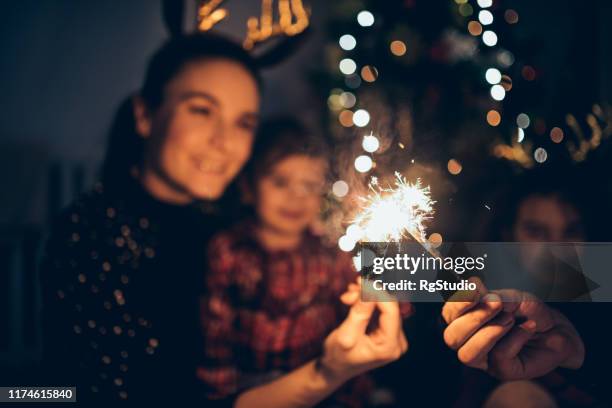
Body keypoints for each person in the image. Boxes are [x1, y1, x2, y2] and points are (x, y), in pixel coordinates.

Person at [39, 33, 407, 406]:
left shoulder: (231, 214)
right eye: (201, 110)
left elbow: (369, 261)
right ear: (145, 114)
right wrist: (328, 373)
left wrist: (459, 279)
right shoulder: (92, 236)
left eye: (243, 123)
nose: (224, 141)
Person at [198, 118, 410, 407]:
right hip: (249, 388)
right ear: (248, 187)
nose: (296, 197)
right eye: (281, 182)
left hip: (326, 389)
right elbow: (215, 338)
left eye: (309, 185)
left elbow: (370, 307)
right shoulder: (228, 251)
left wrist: (388, 297)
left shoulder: (330, 253)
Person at [444, 169, 609, 407]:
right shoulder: (477, 294)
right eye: (537, 231)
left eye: (570, 231)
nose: (557, 248)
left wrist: (575, 353)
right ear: (508, 235)